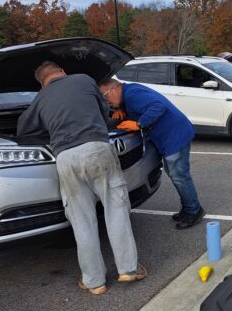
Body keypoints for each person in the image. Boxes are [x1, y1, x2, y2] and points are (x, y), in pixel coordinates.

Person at [17, 61, 146, 295]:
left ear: (42, 82)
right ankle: (128, 269)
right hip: (96, 149)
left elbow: (23, 130)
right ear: (63, 72)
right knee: (115, 209)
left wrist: (53, 127)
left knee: (82, 221)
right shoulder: (84, 79)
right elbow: (103, 112)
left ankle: (94, 282)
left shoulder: (41, 98)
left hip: (65, 158)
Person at [98, 78, 204, 230]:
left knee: (180, 176)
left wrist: (139, 124)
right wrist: (124, 110)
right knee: (176, 175)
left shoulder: (132, 94)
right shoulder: (129, 94)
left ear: (114, 89)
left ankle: (194, 211)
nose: (106, 102)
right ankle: (188, 208)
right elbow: (143, 106)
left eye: (105, 96)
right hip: (171, 136)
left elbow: (157, 106)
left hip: (175, 136)